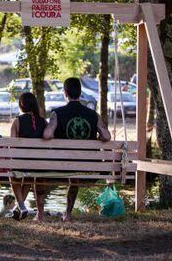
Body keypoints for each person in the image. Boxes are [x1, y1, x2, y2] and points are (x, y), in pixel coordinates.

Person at [43, 77, 111, 222]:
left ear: (65, 93)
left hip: (61, 165)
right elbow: (106, 136)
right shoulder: (93, 115)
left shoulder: (57, 113)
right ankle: (67, 213)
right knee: (75, 175)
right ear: (80, 93)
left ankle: (46, 213)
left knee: (53, 174)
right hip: (88, 165)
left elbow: (47, 134)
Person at [10, 92, 47, 221]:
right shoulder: (43, 121)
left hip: (20, 163)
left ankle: (21, 206)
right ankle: (19, 207)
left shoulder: (17, 121)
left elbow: (12, 146)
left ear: (21, 105)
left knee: (13, 176)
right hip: (37, 165)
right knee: (29, 176)